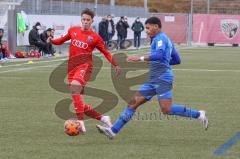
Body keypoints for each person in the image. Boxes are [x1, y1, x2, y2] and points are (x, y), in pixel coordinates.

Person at [96, 17, 209, 139]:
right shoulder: (165, 39)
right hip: (153, 78)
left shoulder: (160, 38)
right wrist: (162, 63)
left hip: (162, 78)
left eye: (148, 28)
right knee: (133, 104)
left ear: (156, 26)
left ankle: (198, 114)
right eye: (146, 28)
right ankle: (113, 131)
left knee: (166, 109)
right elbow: (177, 60)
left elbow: (160, 54)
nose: (146, 30)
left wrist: (140, 58)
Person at [50, 8, 121, 133]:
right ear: (81, 19)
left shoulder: (95, 37)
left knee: (74, 87)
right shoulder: (73, 30)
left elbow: (106, 52)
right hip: (71, 67)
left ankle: (80, 122)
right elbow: (61, 40)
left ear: (92, 21)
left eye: (88, 20)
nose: (85, 22)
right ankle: (103, 118)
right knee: (78, 101)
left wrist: (115, 64)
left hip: (85, 67)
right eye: (84, 19)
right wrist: (50, 40)